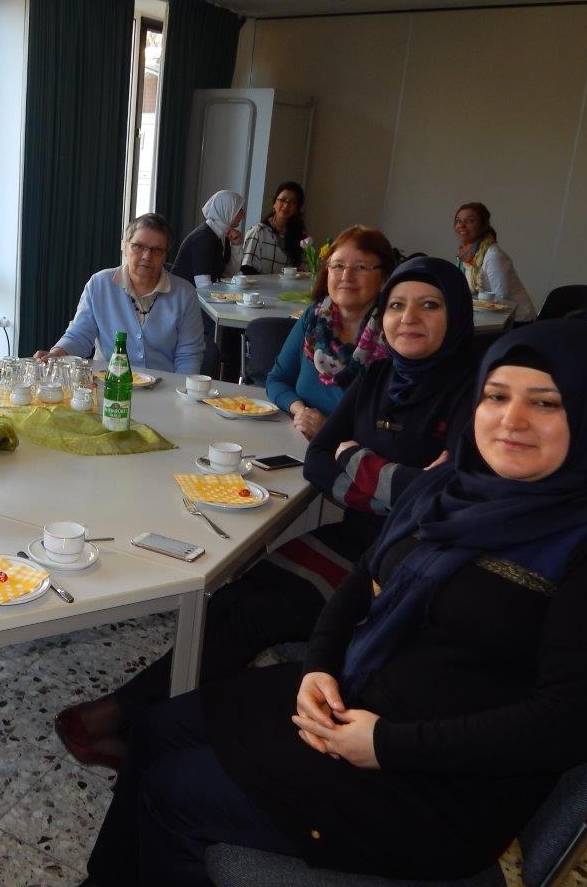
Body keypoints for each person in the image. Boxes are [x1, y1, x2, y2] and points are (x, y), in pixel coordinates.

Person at [82, 318, 587, 886]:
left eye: (546, 403)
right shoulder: (452, 485)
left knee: (176, 793)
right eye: (496, 395)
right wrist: (317, 667)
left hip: (437, 783)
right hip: (357, 692)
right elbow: (363, 578)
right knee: (157, 730)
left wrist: (387, 744)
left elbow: (566, 724)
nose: (512, 421)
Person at [55, 257, 476, 772]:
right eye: (397, 306)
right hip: (354, 536)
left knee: (259, 614)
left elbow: (439, 499)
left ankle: (127, 721)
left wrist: (355, 460)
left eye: (429, 305)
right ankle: (154, 715)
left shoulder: (477, 395)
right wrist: (382, 473)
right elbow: (321, 458)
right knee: (230, 594)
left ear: (456, 314)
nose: (409, 318)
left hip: (405, 568)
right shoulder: (381, 374)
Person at [267, 225, 395, 440]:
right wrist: (301, 412)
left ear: (384, 277)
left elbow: (394, 425)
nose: (346, 276)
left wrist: (328, 430)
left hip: (355, 458)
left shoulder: (394, 333)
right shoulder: (314, 319)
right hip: (299, 439)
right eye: (338, 265)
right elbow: (277, 379)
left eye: (361, 267)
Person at [36, 213, 205, 374]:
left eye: (156, 250)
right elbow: (80, 334)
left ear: (165, 255)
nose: (146, 256)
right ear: (124, 246)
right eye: (138, 246)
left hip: (163, 388)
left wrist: (181, 396)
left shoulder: (184, 294)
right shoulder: (100, 284)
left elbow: (188, 355)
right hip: (108, 383)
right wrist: (56, 354)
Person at [453, 201, 536, 320]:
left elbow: (501, 299)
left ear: (483, 225)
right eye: (458, 220)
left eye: (470, 221)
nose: (461, 225)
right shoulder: (465, 254)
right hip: (490, 316)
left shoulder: (493, 255)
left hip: (515, 320)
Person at [168, 190, 244, 285]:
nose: (243, 214)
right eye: (239, 210)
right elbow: (203, 285)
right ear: (227, 210)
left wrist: (236, 246)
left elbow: (229, 273)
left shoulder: (222, 234)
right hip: (183, 297)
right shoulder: (203, 238)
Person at [239, 182, 306, 275]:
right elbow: (246, 268)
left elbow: (301, 270)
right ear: (274, 203)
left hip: (287, 289)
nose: (286, 206)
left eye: (292, 202)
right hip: (259, 288)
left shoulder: (298, 236)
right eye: (282, 200)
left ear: (297, 208)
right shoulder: (258, 232)